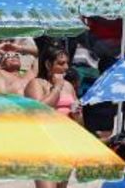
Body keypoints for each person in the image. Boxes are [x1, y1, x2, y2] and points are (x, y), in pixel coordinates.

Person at [25, 47, 81, 188]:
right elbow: (39, 111)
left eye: (67, 63)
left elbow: (80, 125)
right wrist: (56, 88)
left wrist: (77, 114)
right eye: (61, 63)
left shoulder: (68, 86)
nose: (66, 67)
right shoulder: (36, 84)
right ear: (48, 64)